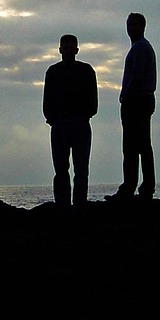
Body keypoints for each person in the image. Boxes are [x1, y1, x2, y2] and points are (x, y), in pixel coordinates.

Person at [43, 34, 99, 206]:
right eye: (65, 47)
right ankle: (63, 208)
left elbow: (93, 104)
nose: (68, 51)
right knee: (61, 171)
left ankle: (79, 208)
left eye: (71, 47)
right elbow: (47, 103)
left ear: (77, 50)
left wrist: (81, 117)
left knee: (81, 171)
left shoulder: (87, 71)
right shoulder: (52, 72)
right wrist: (55, 120)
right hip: (60, 126)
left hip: (80, 125)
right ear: (60, 50)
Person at [109, 12, 156, 200]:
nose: (131, 28)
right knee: (141, 145)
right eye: (129, 24)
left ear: (142, 27)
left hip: (137, 100)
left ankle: (131, 186)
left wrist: (126, 94)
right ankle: (139, 185)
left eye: (135, 25)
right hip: (140, 99)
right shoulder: (139, 47)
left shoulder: (140, 48)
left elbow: (137, 74)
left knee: (133, 146)